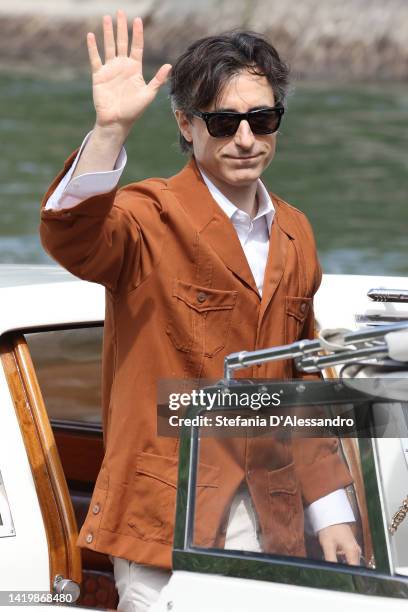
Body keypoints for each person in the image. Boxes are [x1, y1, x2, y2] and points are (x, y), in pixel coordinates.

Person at [40, 10, 360, 612]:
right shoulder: (147, 215)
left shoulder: (295, 232)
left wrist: (332, 510)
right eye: (223, 121)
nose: (245, 138)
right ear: (186, 125)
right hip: (171, 519)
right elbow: (72, 237)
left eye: (262, 119)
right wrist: (109, 130)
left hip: (279, 523)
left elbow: (300, 386)